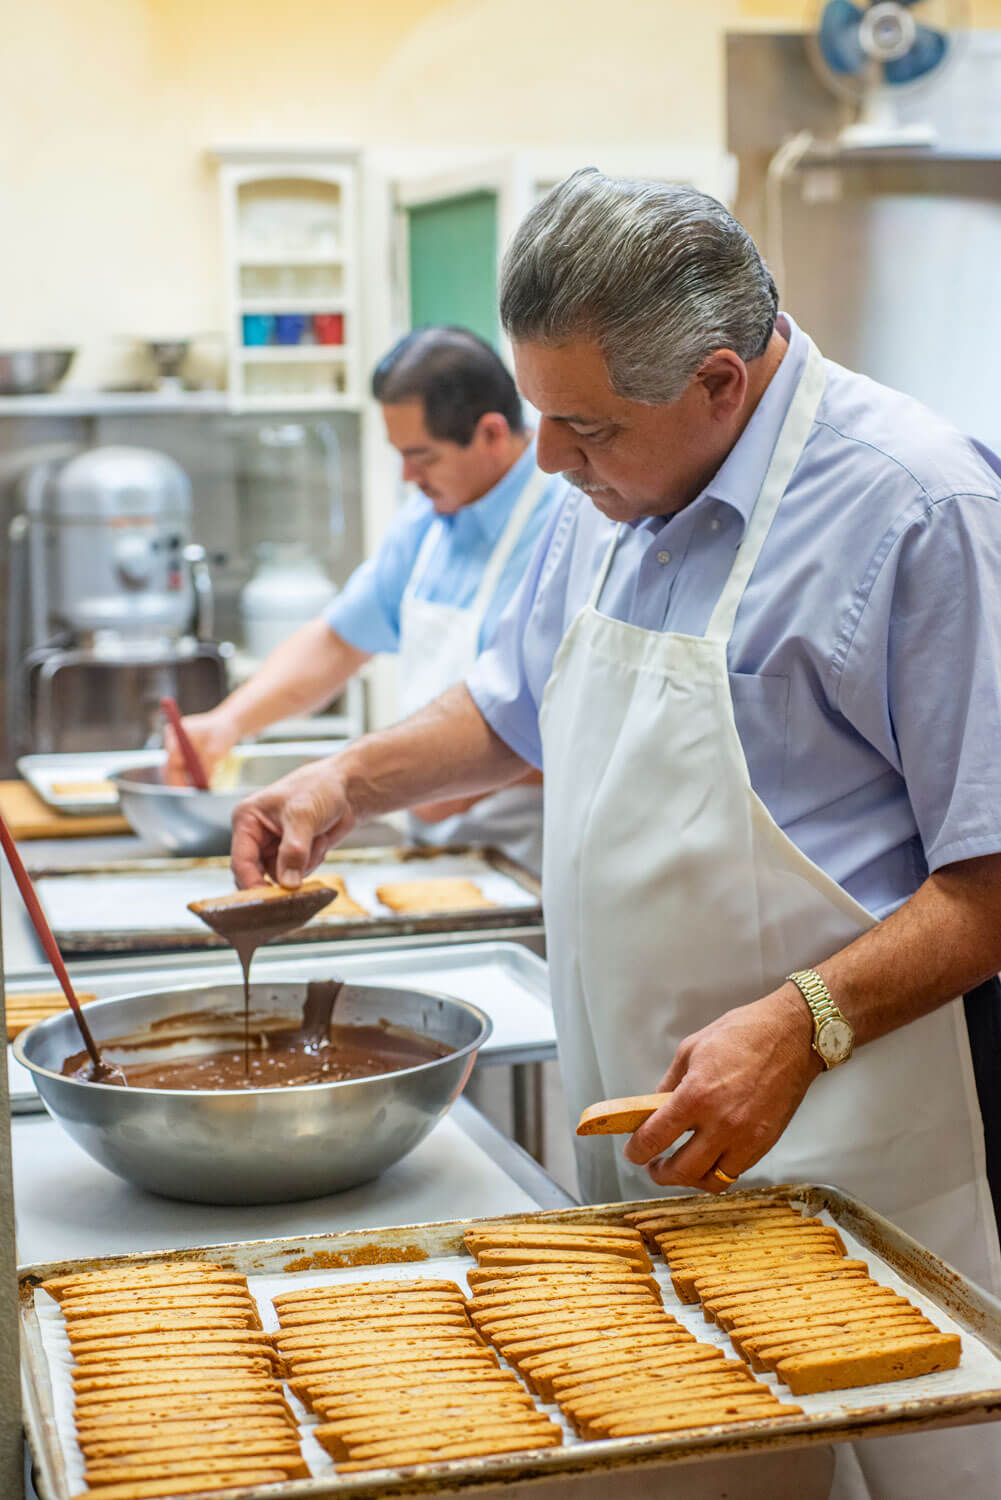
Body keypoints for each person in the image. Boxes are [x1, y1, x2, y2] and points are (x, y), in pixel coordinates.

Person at [231, 171, 1001, 1497]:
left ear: (718, 382)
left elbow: (989, 877)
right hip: (635, 1165)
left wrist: (797, 1022)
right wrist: (343, 779)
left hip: (845, 1165)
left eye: (584, 426)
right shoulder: (595, 500)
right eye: (540, 418)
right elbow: (514, 708)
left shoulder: (917, 509)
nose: (545, 460)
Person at [168, 326, 566, 874]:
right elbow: (337, 642)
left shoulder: (568, 521)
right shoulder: (427, 522)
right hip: (431, 849)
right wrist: (229, 722)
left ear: (492, 434)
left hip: (535, 857)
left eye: (422, 456)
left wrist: (445, 778)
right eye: (400, 455)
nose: (407, 476)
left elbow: (578, 719)